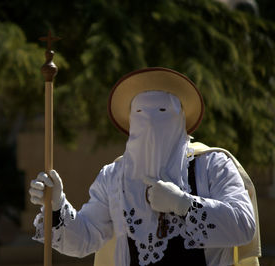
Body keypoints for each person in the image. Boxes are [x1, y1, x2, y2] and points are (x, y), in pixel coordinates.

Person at [29, 67, 258, 266]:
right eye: (140, 113)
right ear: (131, 122)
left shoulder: (212, 165)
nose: (149, 121)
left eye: (162, 111)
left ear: (180, 119)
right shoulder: (114, 177)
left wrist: (183, 204)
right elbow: (84, 238)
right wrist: (57, 205)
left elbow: (245, 226)